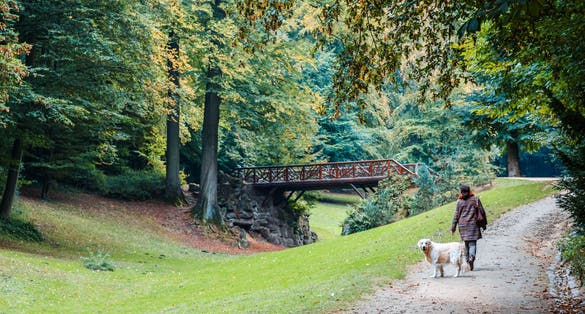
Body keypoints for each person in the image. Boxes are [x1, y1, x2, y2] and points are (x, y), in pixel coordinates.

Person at [450, 184, 486, 271]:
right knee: (472, 243)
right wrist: (483, 224)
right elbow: (482, 212)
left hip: (463, 226)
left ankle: (467, 262)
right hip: (473, 224)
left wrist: (453, 228)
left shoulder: (459, 202)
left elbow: (456, 216)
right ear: (469, 191)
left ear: (461, 192)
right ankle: (471, 257)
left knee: (466, 244)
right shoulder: (475, 199)